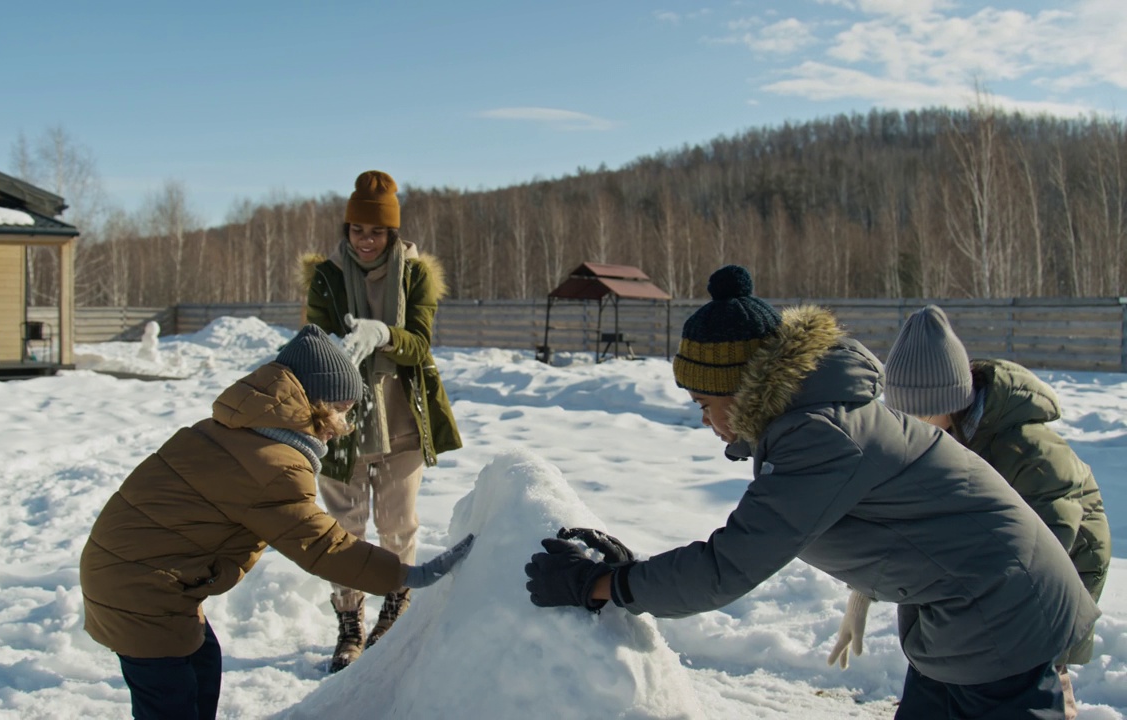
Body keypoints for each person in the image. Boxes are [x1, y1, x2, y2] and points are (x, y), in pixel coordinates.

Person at [523, 265, 1100, 719]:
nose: (704, 421)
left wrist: (600, 586)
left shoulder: (817, 436)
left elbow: (728, 566)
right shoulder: (808, 423)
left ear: (742, 390)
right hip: (962, 615)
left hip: (1004, 620)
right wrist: (630, 577)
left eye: (705, 404)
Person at [80, 324, 473, 719]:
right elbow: (323, 546)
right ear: (321, 405)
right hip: (141, 589)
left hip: (137, 574)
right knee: (172, 702)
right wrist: (407, 575)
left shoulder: (240, 429)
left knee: (201, 665)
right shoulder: (272, 463)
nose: (346, 426)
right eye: (344, 412)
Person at [883, 305, 1111, 719]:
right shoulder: (934, 439)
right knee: (943, 668)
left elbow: (1047, 552)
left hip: (1059, 573)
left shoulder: (1028, 450)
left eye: (915, 413)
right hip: (980, 574)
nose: (906, 426)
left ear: (948, 400)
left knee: (1023, 682)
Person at [300, 169, 463, 672]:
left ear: (392, 233)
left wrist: (383, 335)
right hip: (340, 418)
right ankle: (350, 623)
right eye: (357, 230)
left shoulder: (415, 276)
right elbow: (314, 343)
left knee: (398, 526)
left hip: (402, 419)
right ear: (346, 230)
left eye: (376, 232)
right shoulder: (326, 277)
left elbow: (419, 345)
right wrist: (334, 351)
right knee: (343, 530)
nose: (366, 241)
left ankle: (396, 610)